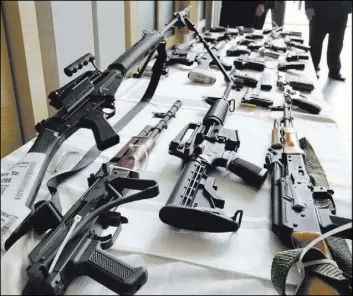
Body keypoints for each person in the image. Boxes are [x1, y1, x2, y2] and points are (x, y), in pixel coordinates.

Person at [305, 1, 352, 81]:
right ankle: (313, 68)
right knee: (315, 42)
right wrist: (309, 6)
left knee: (337, 43)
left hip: (341, 11)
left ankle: (334, 70)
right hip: (319, 11)